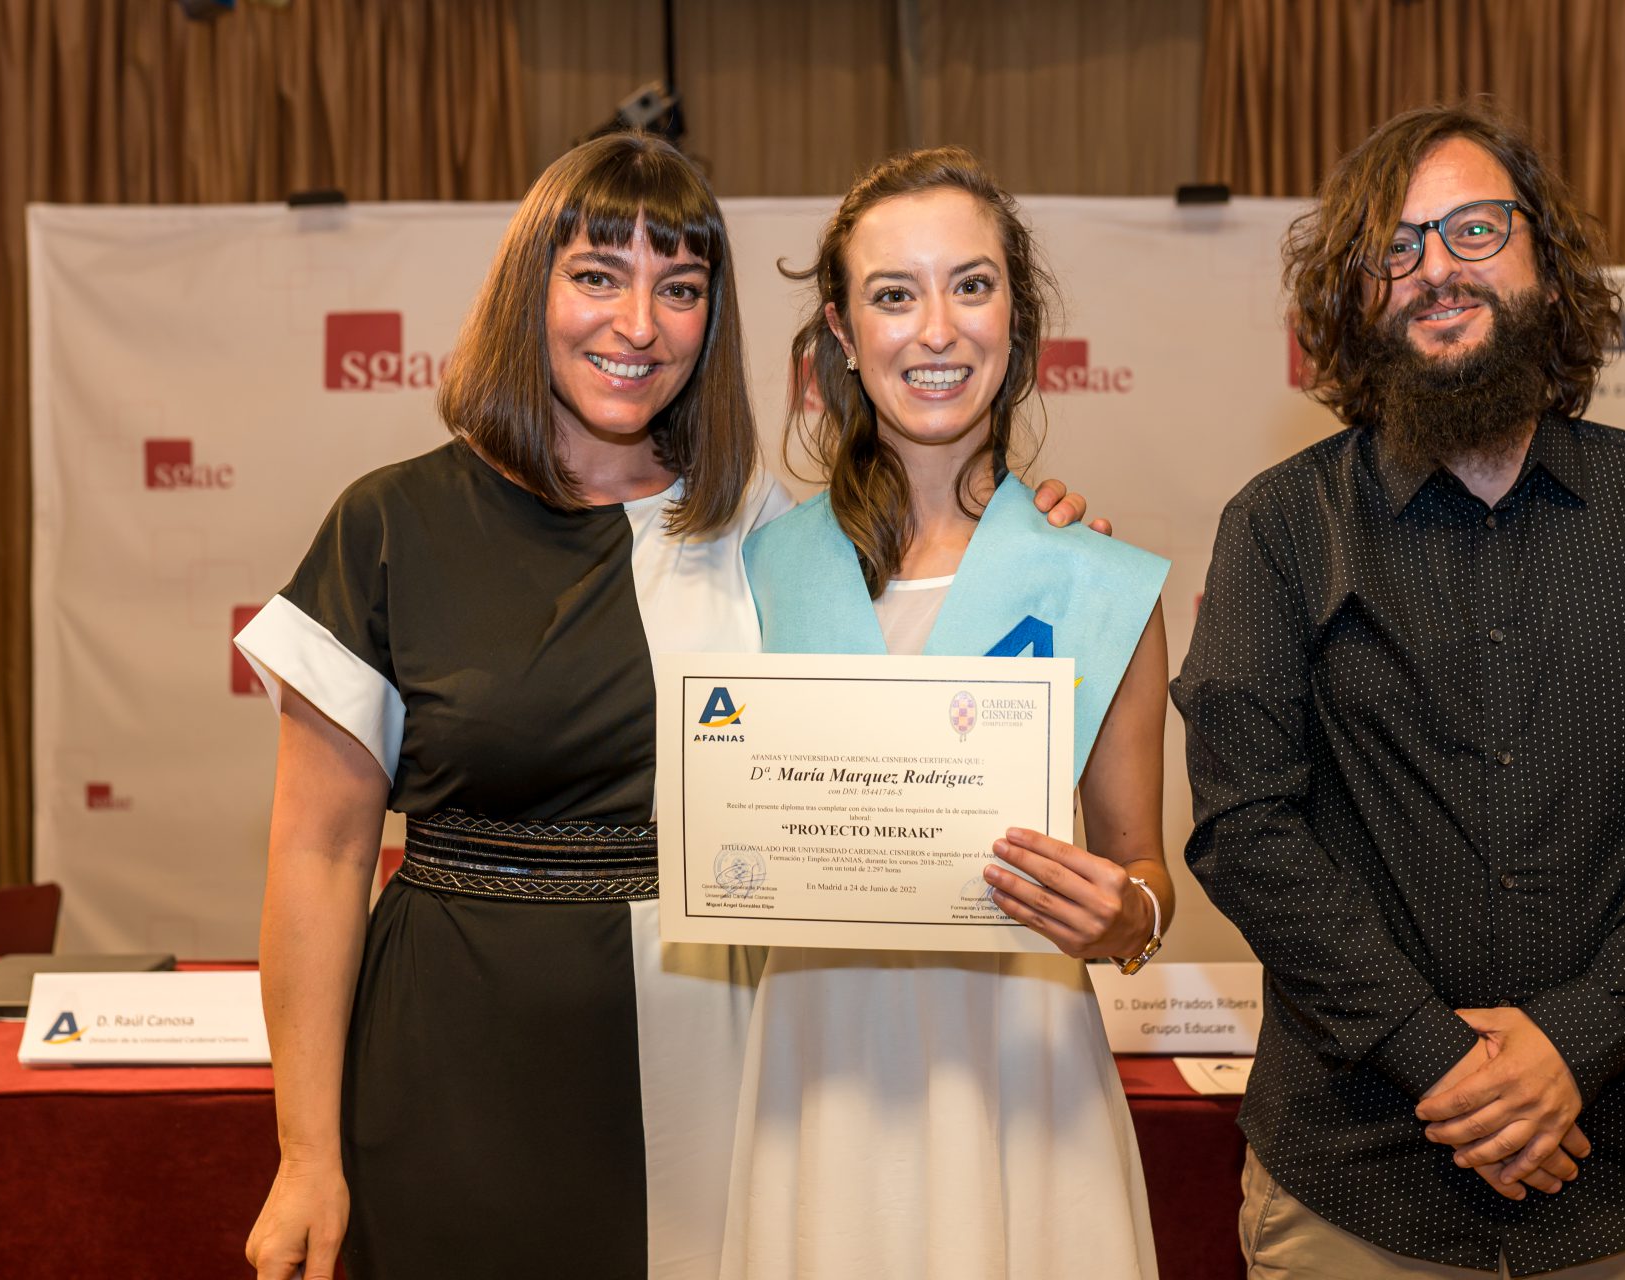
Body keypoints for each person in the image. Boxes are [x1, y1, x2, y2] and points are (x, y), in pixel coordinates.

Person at [232, 131, 1096, 1280]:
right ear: (527, 288)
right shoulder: (388, 525)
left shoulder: (770, 538)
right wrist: (305, 1153)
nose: (638, 324)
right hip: (453, 1063)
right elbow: (318, 857)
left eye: (680, 288)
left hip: (721, 1061)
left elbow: (918, 660)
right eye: (598, 274)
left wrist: (1027, 542)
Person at [1171, 102, 1625, 1278]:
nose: (1434, 270)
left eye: (1472, 229)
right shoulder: (1278, 526)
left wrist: (1577, 1038)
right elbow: (1248, 828)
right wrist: (1441, 1057)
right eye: (1393, 248)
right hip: (1354, 1184)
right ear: (1354, 300)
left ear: (1546, 267)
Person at [718, 147, 1171, 1280]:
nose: (936, 329)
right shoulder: (758, 573)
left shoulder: (1097, 578)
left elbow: (1145, 877)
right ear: (841, 327)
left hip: (1019, 1081)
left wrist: (1122, 919)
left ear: (1016, 317)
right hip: (810, 1077)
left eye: (971, 285)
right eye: (892, 293)